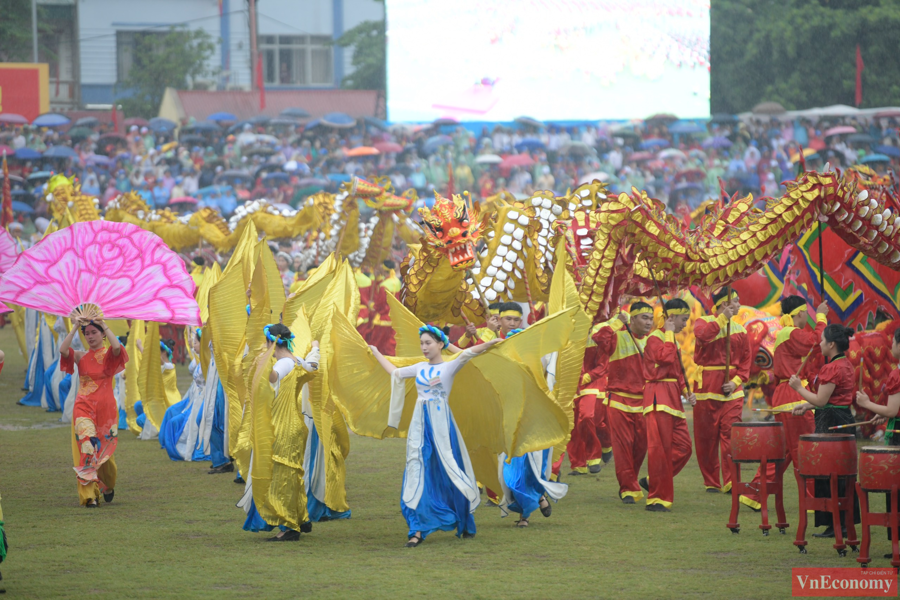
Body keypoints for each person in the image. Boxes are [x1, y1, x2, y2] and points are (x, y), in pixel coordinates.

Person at [369, 324, 500, 547]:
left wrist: (490, 343)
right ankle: (417, 528)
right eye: (422, 343)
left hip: (441, 425)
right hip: (420, 426)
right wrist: (376, 352)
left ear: (440, 345)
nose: (424, 347)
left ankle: (463, 518)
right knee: (417, 468)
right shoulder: (420, 367)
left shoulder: (448, 367)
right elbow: (395, 373)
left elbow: (467, 354)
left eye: (428, 343)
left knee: (449, 468)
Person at [739, 297, 826, 511]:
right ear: (799, 314)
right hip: (793, 396)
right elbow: (816, 341)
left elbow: (815, 348)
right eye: (807, 312)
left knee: (783, 450)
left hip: (786, 394)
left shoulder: (787, 334)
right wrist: (822, 316)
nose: (808, 316)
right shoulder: (790, 332)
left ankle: (754, 493)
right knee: (803, 449)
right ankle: (813, 501)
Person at [239, 324, 320, 541]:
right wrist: (315, 348)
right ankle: (300, 518)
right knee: (292, 475)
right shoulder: (297, 360)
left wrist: (262, 361)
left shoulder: (283, 363)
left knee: (281, 476)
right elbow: (314, 365)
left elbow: (273, 377)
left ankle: (288, 527)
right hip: (293, 424)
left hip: (282, 427)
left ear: (272, 343)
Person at [790, 323, 859, 538]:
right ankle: (843, 522)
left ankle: (836, 523)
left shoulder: (831, 368)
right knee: (842, 473)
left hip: (830, 422)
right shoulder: (846, 364)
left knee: (828, 472)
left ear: (831, 344)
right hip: (842, 417)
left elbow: (822, 400)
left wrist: (799, 389)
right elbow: (832, 399)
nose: (819, 344)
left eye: (821, 340)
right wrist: (806, 405)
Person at [498, 328, 568, 527]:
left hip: (535, 423)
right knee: (510, 470)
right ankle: (538, 498)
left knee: (531, 466)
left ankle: (524, 516)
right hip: (512, 424)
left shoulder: (539, 361)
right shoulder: (503, 366)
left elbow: (552, 347)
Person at [58, 316, 128, 507]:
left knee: (105, 456)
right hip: (83, 408)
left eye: (94, 332)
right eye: (86, 333)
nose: (89, 337)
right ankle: (90, 496)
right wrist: (74, 327)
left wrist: (103, 323)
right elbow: (63, 350)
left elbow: (117, 348)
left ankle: (108, 484)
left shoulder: (109, 355)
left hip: (105, 410)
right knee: (87, 447)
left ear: (103, 334)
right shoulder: (81, 356)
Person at [594, 301, 653, 503]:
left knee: (640, 447)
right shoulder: (618, 336)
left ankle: (631, 481)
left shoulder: (652, 341)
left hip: (645, 402)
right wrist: (617, 323)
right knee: (624, 447)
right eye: (644, 318)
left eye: (651, 318)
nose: (649, 322)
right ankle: (627, 488)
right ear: (633, 318)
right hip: (619, 401)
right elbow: (599, 338)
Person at [692, 288, 751, 493]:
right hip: (706, 388)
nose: (739, 304)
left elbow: (745, 363)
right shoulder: (703, 321)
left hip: (731, 392)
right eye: (735, 301)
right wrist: (721, 320)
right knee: (706, 438)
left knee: (731, 434)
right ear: (724, 305)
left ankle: (731, 480)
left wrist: (735, 382)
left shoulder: (741, 330)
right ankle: (711, 481)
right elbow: (703, 337)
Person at [640, 299, 696, 512]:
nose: (685, 324)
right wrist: (670, 333)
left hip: (672, 398)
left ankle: (652, 480)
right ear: (671, 318)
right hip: (658, 397)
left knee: (684, 447)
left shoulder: (671, 339)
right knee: (659, 450)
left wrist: (686, 393)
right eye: (683, 320)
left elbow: (678, 372)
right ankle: (656, 498)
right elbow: (664, 359)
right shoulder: (656, 338)